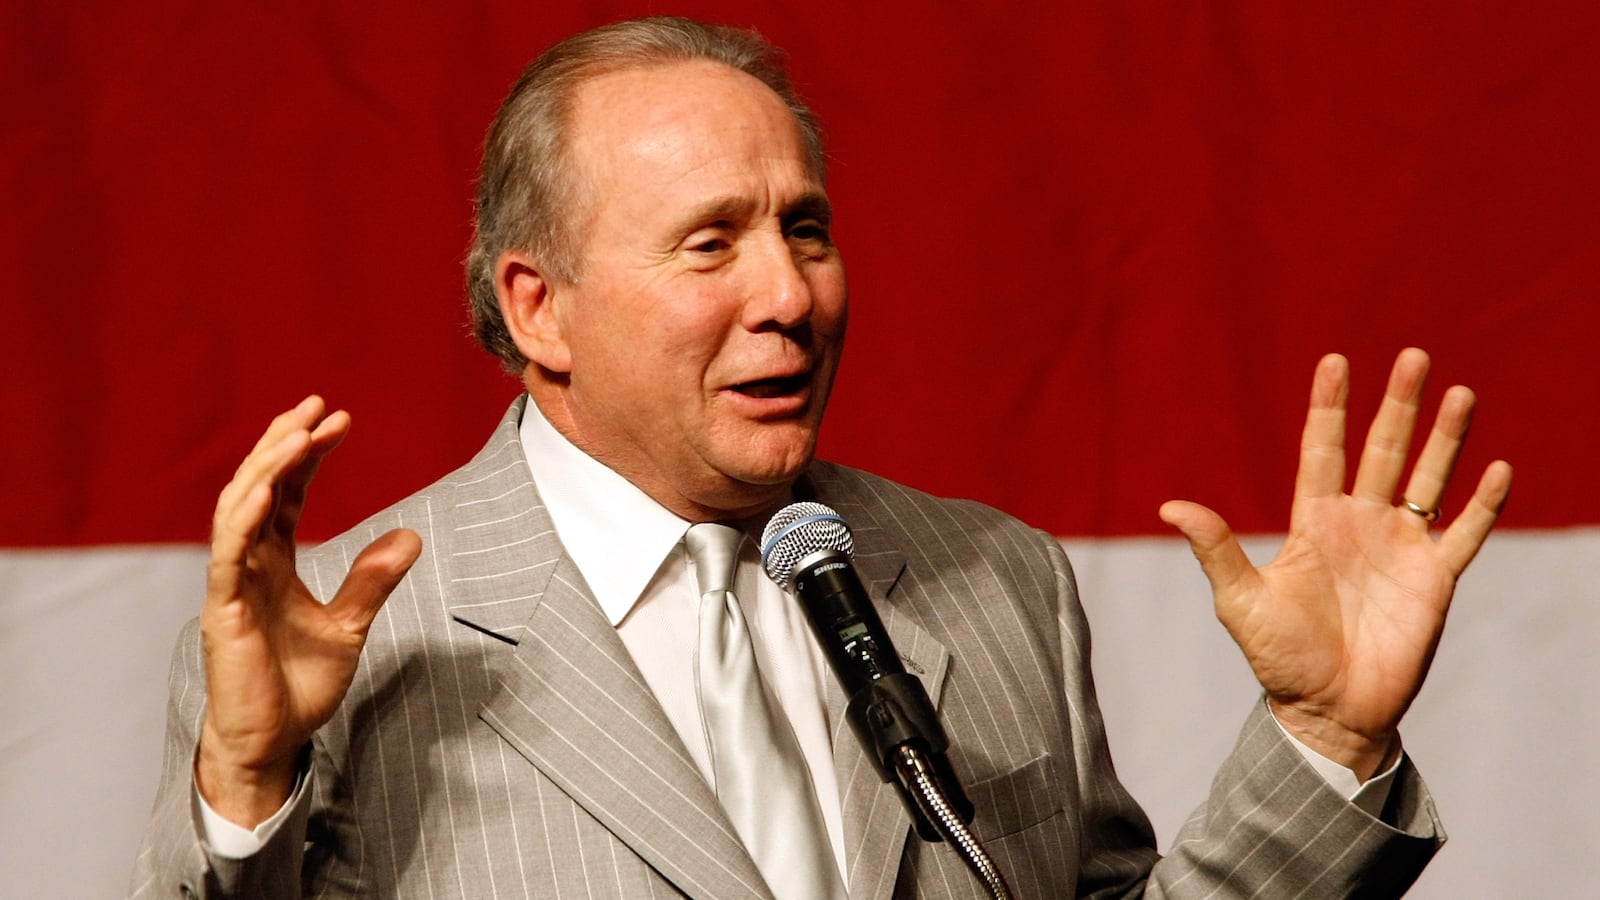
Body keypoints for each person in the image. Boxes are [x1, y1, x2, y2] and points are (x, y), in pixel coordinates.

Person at [130, 16, 1512, 899]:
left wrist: (1325, 738)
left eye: (807, 228)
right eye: (711, 241)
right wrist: (246, 792)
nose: (789, 294)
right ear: (538, 306)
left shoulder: (996, 581)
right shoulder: (344, 641)